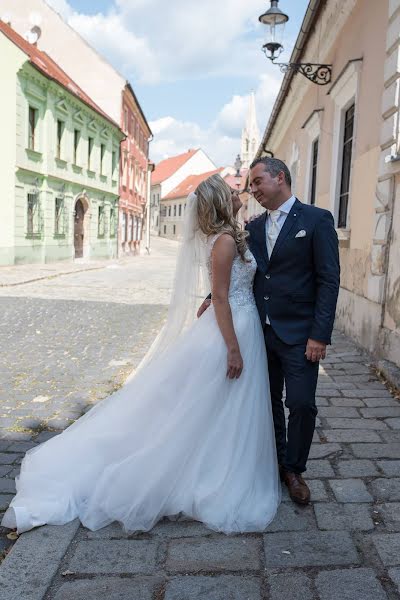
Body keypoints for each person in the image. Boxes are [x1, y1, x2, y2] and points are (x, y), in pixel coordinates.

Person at [2, 174, 280, 535]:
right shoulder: (225, 241)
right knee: (214, 403)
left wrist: (218, 309)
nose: (237, 192)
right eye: (230, 191)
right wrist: (232, 348)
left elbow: (221, 293)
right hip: (232, 330)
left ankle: (217, 464)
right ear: (219, 202)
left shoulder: (230, 236)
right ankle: (207, 475)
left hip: (239, 324)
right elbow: (224, 296)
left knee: (221, 406)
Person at [199, 158, 340, 505]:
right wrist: (210, 296)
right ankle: (277, 463)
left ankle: (295, 469)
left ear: (281, 177)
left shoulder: (317, 220)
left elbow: (329, 280)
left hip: (301, 334)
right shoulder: (254, 227)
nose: (254, 190)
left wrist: (320, 335)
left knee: (302, 403)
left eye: (258, 181)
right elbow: (241, 272)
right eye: (250, 185)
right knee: (268, 402)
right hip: (260, 332)